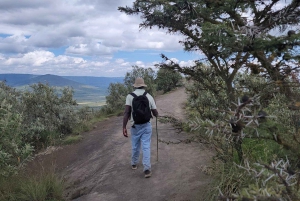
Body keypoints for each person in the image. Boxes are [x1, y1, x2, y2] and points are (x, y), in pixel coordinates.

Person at [123, 77, 158, 178]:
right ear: (143, 85)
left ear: (135, 86)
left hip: (135, 126)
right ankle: (147, 170)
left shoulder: (130, 96)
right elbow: (155, 112)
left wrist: (124, 127)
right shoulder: (149, 96)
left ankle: (134, 163)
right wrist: (157, 114)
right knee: (146, 146)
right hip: (146, 125)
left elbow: (126, 112)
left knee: (135, 145)